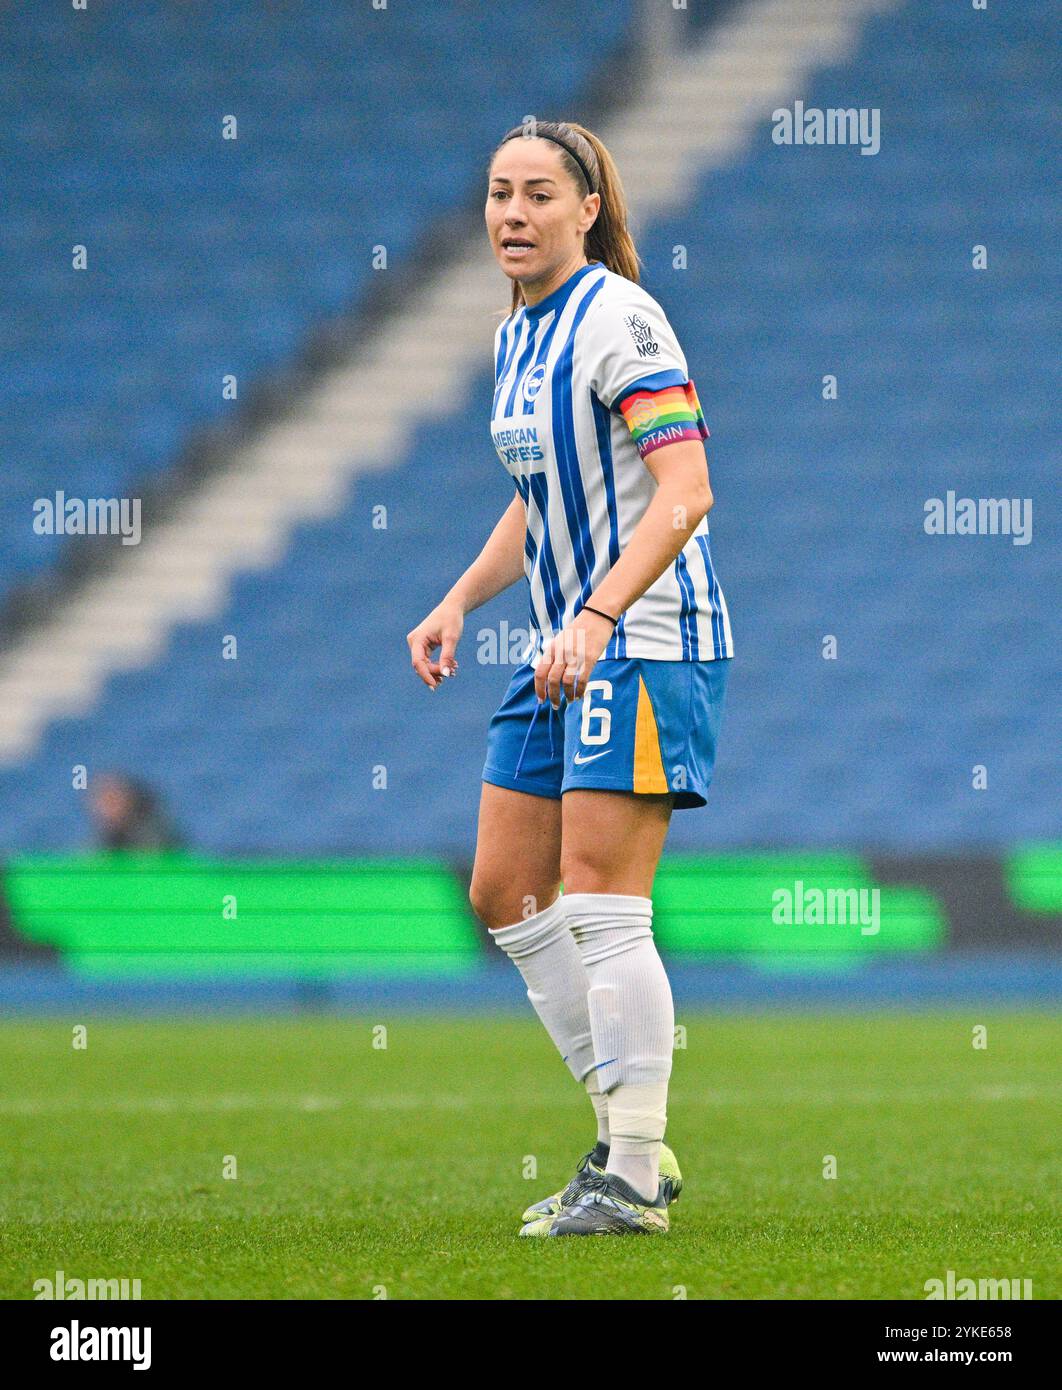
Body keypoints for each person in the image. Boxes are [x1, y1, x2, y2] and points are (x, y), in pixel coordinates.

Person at [407, 120, 732, 1236]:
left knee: (601, 901)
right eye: (498, 192)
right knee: (504, 891)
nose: (511, 213)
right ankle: (626, 1127)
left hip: (641, 640)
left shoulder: (620, 318)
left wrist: (597, 613)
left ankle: (632, 1173)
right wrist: (459, 597)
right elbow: (540, 498)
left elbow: (686, 488)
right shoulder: (515, 336)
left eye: (538, 193)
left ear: (586, 209)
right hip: (563, 645)